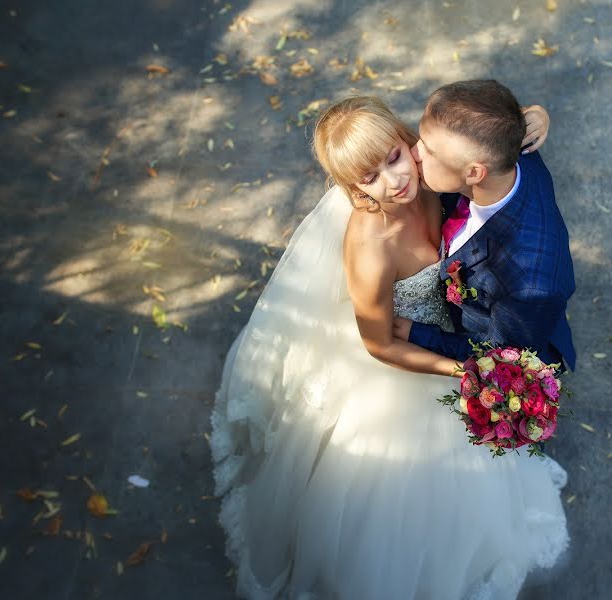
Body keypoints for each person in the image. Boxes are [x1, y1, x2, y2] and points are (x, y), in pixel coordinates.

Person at [209, 92, 568, 600]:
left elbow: (479, 129)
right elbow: (379, 345)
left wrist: (534, 117)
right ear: (352, 188)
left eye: (396, 157)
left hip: (458, 326)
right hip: (410, 366)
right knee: (394, 495)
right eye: (369, 178)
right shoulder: (370, 248)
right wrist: (462, 374)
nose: (394, 181)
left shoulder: (433, 173)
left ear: (409, 141)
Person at [395, 80, 577, 373]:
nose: (413, 153)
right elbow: (494, 118)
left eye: (428, 150)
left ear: (474, 173)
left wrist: (414, 334)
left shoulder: (530, 283)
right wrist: (535, 113)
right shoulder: (505, 145)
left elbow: (501, 351)